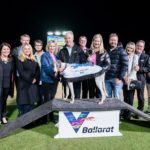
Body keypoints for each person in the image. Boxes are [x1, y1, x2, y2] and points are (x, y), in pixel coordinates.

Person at [58, 31, 86, 99]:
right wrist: (60, 70)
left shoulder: (79, 49)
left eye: (69, 38)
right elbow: (60, 64)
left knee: (77, 97)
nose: (67, 40)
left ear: (73, 38)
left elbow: (83, 62)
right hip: (66, 78)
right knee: (67, 97)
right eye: (66, 38)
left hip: (76, 78)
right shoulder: (62, 50)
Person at [16, 44, 40, 116]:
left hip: (33, 85)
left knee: (32, 103)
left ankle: (30, 121)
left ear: (31, 50)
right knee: (25, 103)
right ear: (22, 50)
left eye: (29, 49)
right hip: (24, 85)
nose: (27, 50)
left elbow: (38, 70)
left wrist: (35, 78)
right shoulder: (20, 59)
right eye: (25, 49)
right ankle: (24, 123)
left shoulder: (34, 59)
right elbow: (21, 72)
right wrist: (30, 79)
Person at [40, 40, 59, 123]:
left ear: (55, 47)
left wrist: (59, 74)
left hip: (54, 81)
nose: (52, 48)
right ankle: (45, 118)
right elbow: (46, 67)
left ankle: (51, 116)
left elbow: (58, 67)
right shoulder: (44, 55)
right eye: (50, 46)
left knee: (52, 99)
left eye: (53, 46)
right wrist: (54, 74)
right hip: (47, 80)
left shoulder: (56, 56)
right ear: (48, 47)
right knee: (47, 100)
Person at [105, 33, 128, 99]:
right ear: (109, 40)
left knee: (116, 98)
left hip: (116, 78)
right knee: (107, 98)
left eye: (114, 40)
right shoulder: (105, 50)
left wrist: (119, 78)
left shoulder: (122, 51)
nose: (113, 42)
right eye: (111, 40)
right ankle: (109, 109)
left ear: (117, 41)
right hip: (106, 78)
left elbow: (125, 65)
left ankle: (117, 110)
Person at [88, 34, 111, 98]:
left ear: (101, 42)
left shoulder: (104, 52)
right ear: (93, 41)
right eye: (95, 41)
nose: (97, 42)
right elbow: (85, 64)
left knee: (99, 94)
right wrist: (87, 61)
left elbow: (108, 64)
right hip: (90, 76)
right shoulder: (89, 51)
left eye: (98, 41)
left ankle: (100, 107)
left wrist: (100, 70)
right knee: (91, 95)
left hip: (99, 76)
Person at [122, 42, 139, 120]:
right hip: (124, 79)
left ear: (133, 49)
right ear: (126, 47)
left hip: (131, 80)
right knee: (125, 97)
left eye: (131, 48)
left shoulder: (135, 56)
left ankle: (128, 115)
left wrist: (128, 78)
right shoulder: (123, 55)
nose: (129, 49)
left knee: (130, 98)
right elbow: (122, 67)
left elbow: (134, 69)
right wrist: (124, 77)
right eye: (128, 47)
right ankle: (124, 113)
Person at [134, 40, 150, 117]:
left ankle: (139, 112)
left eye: (141, 46)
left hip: (141, 79)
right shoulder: (131, 54)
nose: (139, 47)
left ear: (143, 47)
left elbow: (148, 68)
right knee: (129, 96)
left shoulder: (146, 56)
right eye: (138, 45)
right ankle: (127, 112)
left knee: (140, 96)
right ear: (135, 45)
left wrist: (140, 68)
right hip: (131, 78)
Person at [0, 42, 14, 124]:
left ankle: (3, 116)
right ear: (1, 50)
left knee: (4, 101)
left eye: (8, 49)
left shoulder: (11, 60)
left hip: (7, 84)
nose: (6, 50)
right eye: (4, 49)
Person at [34, 39, 45, 105]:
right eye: (36, 45)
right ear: (34, 46)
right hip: (36, 80)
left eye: (39, 45)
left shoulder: (46, 54)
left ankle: (46, 114)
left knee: (45, 97)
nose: (38, 46)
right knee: (38, 98)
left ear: (42, 46)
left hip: (45, 80)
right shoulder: (32, 56)